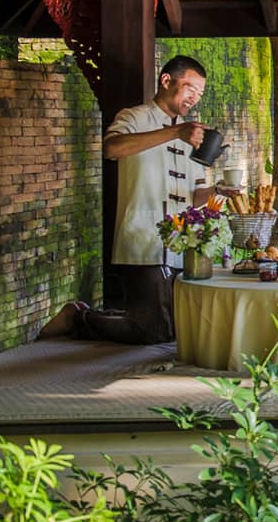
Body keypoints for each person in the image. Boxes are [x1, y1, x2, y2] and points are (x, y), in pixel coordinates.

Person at [42, 55, 215, 344]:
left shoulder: (192, 135)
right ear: (166, 81)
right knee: (155, 331)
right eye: (189, 88)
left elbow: (196, 195)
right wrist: (175, 132)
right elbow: (111, 149)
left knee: (176, 326)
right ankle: (79, 318)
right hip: (142, 240)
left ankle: (95, 315)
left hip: (180, 243)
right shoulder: (134, 117)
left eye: (199, 93)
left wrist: (220, 192)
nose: (194, 98)